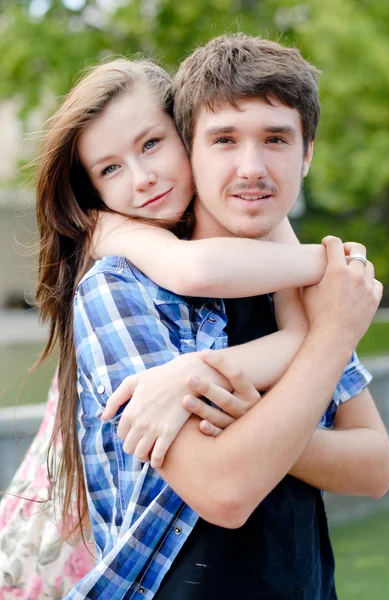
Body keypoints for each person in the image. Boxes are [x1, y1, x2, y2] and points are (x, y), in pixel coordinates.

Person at [63, 35, 389, 599]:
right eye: (223, 140)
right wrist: (331, 336)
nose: (251, 167)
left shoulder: (296, 284)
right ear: (191, 148)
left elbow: (375, 466)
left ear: (307, 152)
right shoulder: (118, 288)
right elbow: (224, 490)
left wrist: (255, 418)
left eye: (276, 139)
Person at [0, 53, 330, 598]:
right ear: (94, 191)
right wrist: (338, 273)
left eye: (152, 144)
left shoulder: (256, 226)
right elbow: (194, 270)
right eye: (109, 169)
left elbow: (373, 462)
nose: (143, 178)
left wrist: (200, 374)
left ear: (186, 132)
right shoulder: (112, 243)